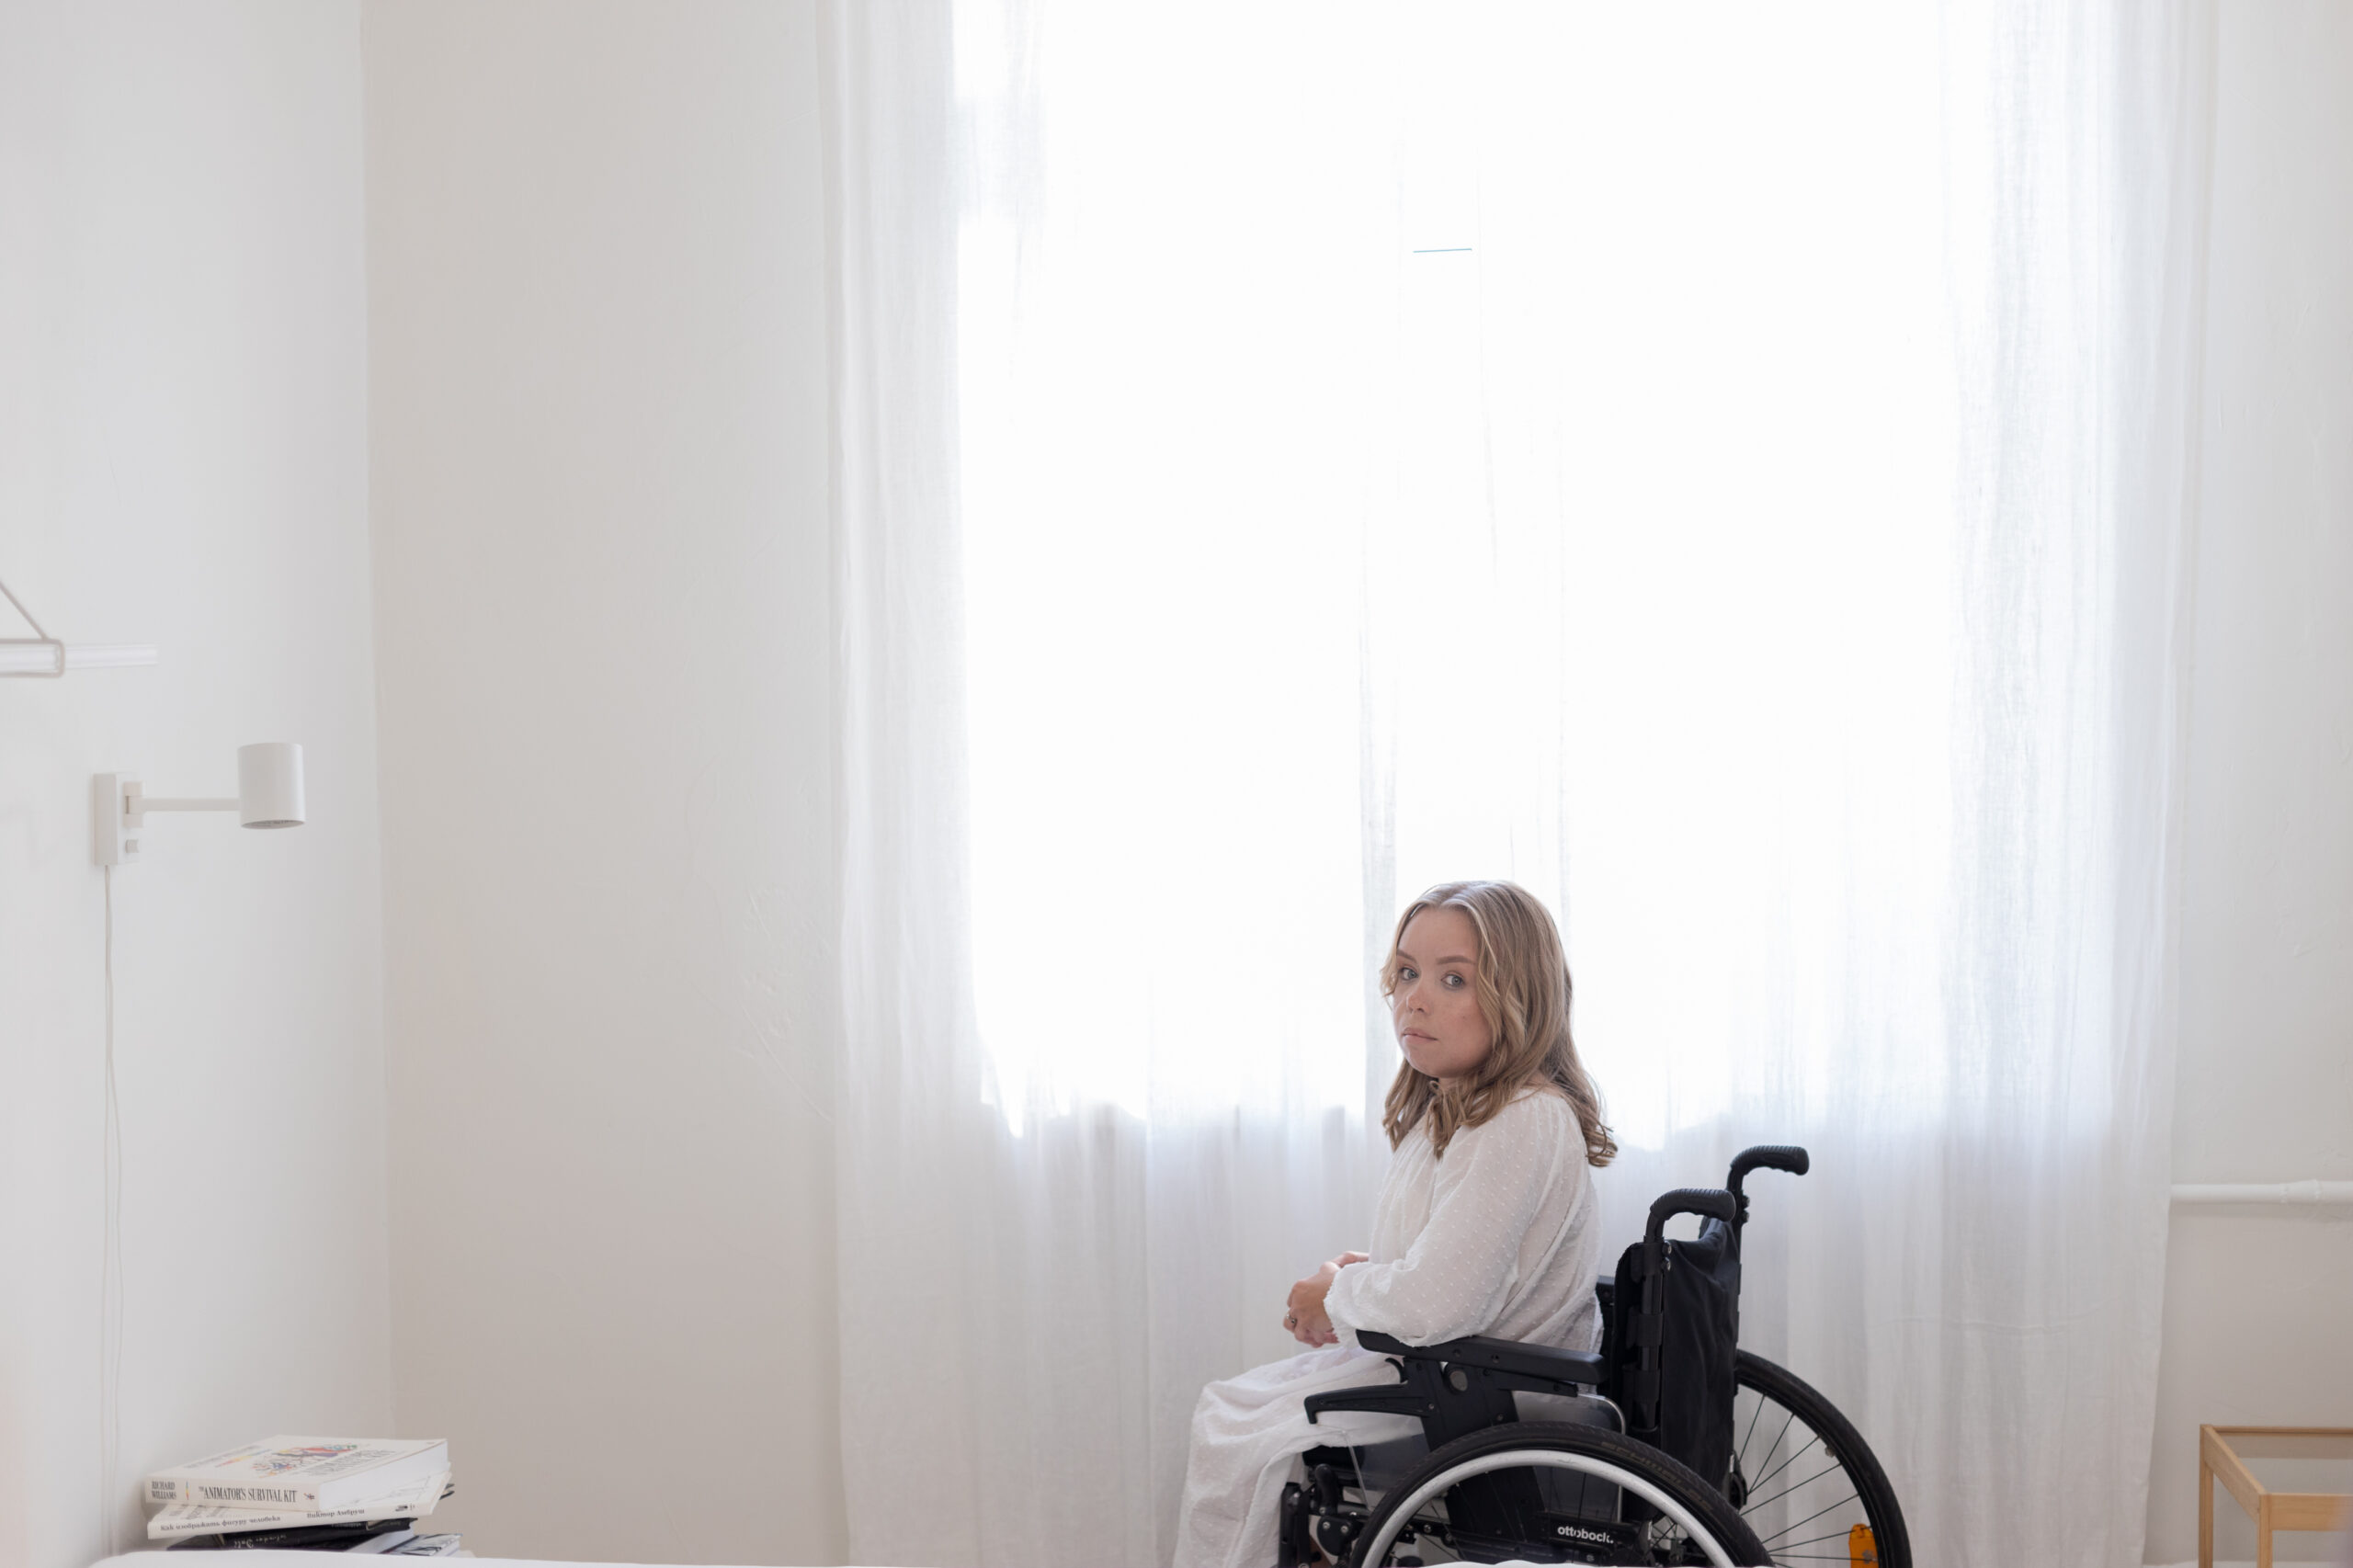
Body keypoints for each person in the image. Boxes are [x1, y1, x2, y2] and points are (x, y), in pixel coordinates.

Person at [1174, 880, 1618, 1568]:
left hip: (1482, 1393)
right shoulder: (1464, 1107)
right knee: (1237, 1407)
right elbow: (1448, 1260)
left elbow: (1439, 1301)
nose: (1416, 997)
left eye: (1453, 980)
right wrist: (1350, 1283)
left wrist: (1334, 1298)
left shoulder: (1519, 1120)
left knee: (1234, 1422)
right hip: (1458, 1370)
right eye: (1408, 972)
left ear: (1518, 998)